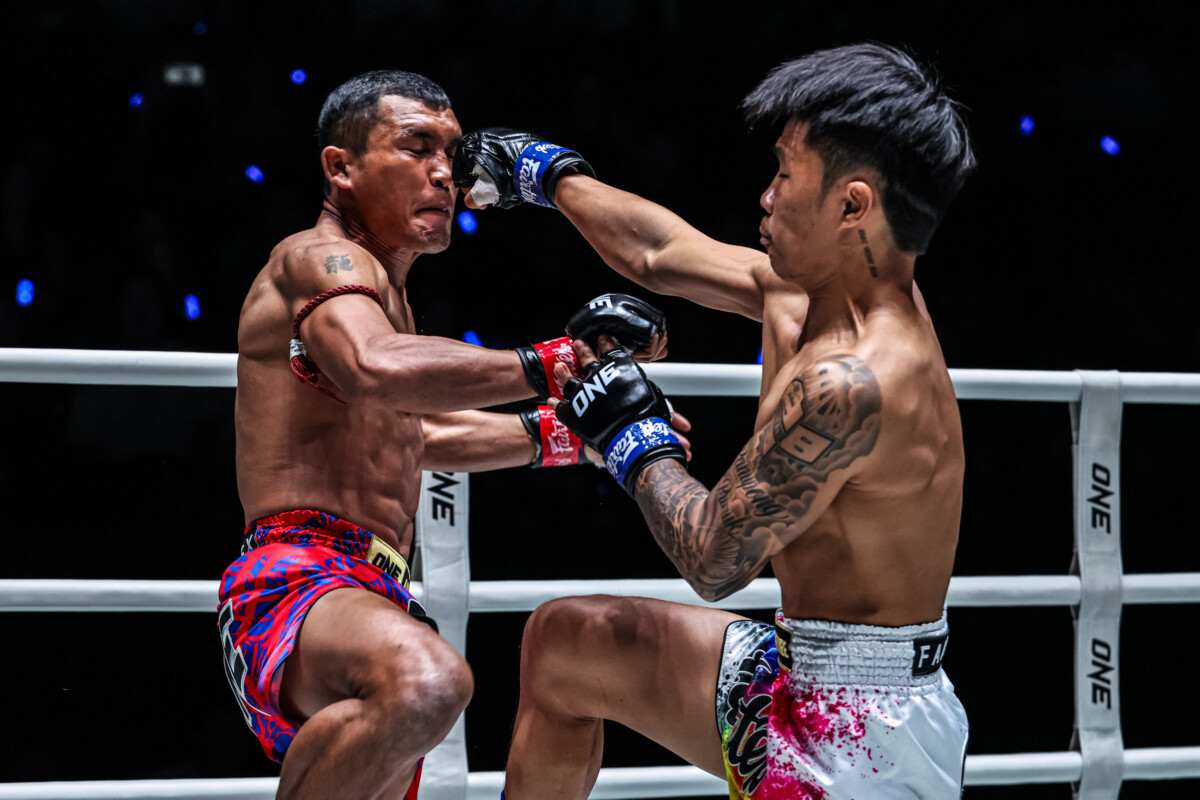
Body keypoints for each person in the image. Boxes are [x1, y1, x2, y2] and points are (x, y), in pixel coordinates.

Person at [453, 43, 976, 798]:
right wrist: (545, 174)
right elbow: (658, 250)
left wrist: (632, 438)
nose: (766, 196)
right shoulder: (805, 293)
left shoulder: (855, 380)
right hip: (795, 664)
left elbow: (715, 560)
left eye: (786, 174)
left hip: (868, 734)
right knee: (568, 644)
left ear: (852, 205)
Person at [218, 70, 676, 800]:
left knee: (421, 694)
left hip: (371, 588)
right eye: (416, 147)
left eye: (453, 154)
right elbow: (374, 368)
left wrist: (570, 433)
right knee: (429, 682)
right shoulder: (318, 259)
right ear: (341, 167)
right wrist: (556, 361)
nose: (444, 173)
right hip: (299, 576)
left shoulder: (388, 300)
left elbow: (416, 437)